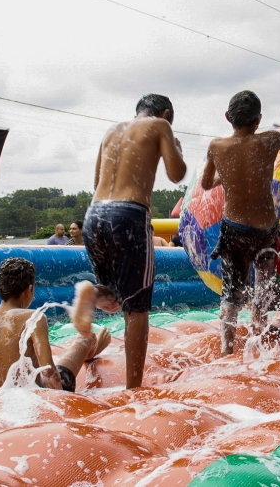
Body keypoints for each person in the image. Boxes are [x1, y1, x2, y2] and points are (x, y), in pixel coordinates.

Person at [78, 93, 187, 389]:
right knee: (136, 309)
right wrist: (174, 145)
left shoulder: (111, 130)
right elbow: (177, 174)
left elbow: (96, 181)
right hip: (129, 214)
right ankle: (134, 389)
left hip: (94, 214)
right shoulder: (160, 126)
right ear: (164, 114)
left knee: (113, 295)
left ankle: (93, 291)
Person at [199, 91, 280, 356]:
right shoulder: (271, 139)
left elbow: (206, 184)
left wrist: (226, 177)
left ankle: (226, 352)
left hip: (234, 228)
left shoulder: (216, 146)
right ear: (259, 119)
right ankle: (257, 338)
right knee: (263, 284)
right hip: (265, 230)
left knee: (230, 294)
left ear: (228, 117)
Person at [0, 258, 110, 394]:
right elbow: (49, 371)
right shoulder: (33, 317)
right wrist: (60, 400)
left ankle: (91, 348)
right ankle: (91, 347)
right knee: (84, 339)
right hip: (32, 397)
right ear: (29, 289)